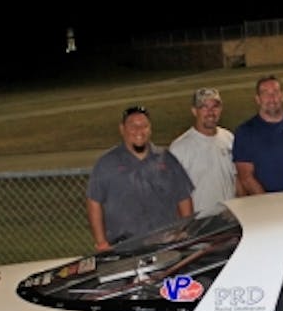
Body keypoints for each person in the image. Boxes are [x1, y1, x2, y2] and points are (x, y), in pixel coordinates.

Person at [86, 105, 194, 251]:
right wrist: (101, 243)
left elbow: (183, 196)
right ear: (122, 129)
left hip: (166, 244)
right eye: (133, 126)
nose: (139, 131)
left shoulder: (167, 159)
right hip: (125, 247)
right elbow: (94, 202)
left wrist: (185, 230)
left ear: (150, 129)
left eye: (144, 126)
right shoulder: (106, 164)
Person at [232, 75, 283, 194]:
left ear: (282, 96)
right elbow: (246, 176)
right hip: (261, 205)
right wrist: (268, 204)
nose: (272, 98)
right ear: (258, 99)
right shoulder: (245, 132)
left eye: (275, 92)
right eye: (265, 93)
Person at [169, 87, 242, 212]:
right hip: (202, 223)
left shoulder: (229, 138)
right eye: (204, 107)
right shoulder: (179, 148)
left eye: (215, 106)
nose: (211, 112)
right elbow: (174, 195)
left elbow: (236, 179)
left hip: (231, 219)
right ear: (194, 111)